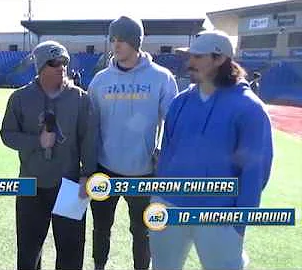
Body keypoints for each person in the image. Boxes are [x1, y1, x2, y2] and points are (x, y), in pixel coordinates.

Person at [150, 30, 273, 270]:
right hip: (170, 206)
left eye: (197, 57)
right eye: (190, 57)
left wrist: (240, 221)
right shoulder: (180, 102)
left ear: (219, 59)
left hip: (220, 213)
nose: (190, 63)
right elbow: (166, 154)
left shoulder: (249, 108)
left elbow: (255, 171)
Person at [87, 16, 178, 270]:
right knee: (101, 228)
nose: (116, 45)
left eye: (123, 40)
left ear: (136, 42)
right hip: (105, 168)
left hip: (144, 172)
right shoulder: (100, 81)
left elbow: (173, 124)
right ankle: (99, 266)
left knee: (142, 233)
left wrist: (164, 152)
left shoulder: (162, 78)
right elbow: (89, 126)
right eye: (113, 39)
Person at [0, 40, 96, 270]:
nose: (62, 67)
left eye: (65, 62)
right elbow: (7, 134)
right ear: (41, 66)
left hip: (70, 185)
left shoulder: (80, 99)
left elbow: (90, 139)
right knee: (28, 251)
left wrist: (87, 175)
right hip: (31, 185)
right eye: (55, 62)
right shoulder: (20, 98)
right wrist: (36, 141)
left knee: (71, 252)